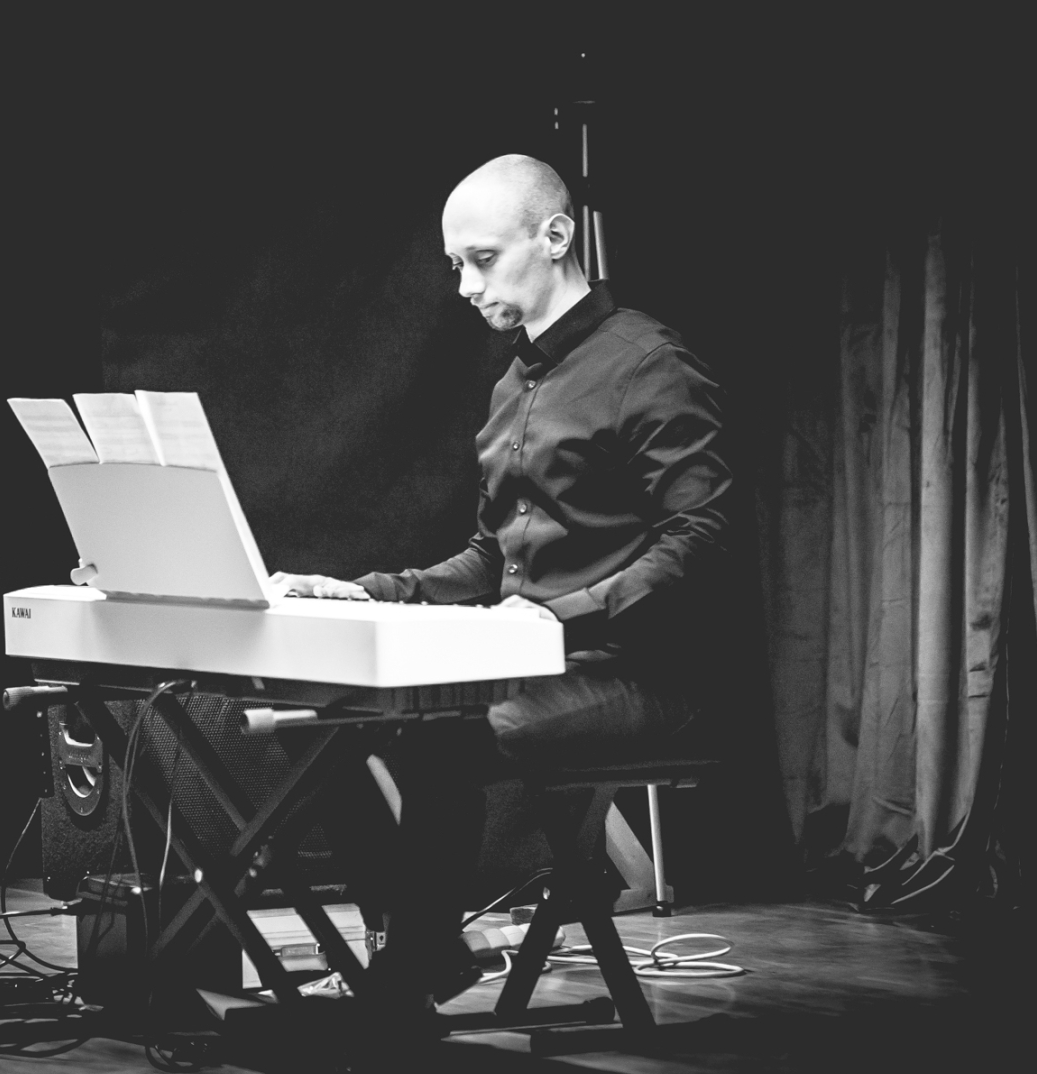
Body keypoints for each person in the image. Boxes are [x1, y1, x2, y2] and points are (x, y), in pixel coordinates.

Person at [272, 154, 734, 1008]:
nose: (465, 286)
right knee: (324, 717)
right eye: (456, 265)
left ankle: (407, 979)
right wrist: (368, 592)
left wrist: (559, 618)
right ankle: (411, 947)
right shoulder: (514, 382)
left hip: (639, 674)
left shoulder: (650, 363)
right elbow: (492, 556)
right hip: (537, 663)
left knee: (438, 738)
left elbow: (699, 539)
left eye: (482, 260)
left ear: (555, 236)